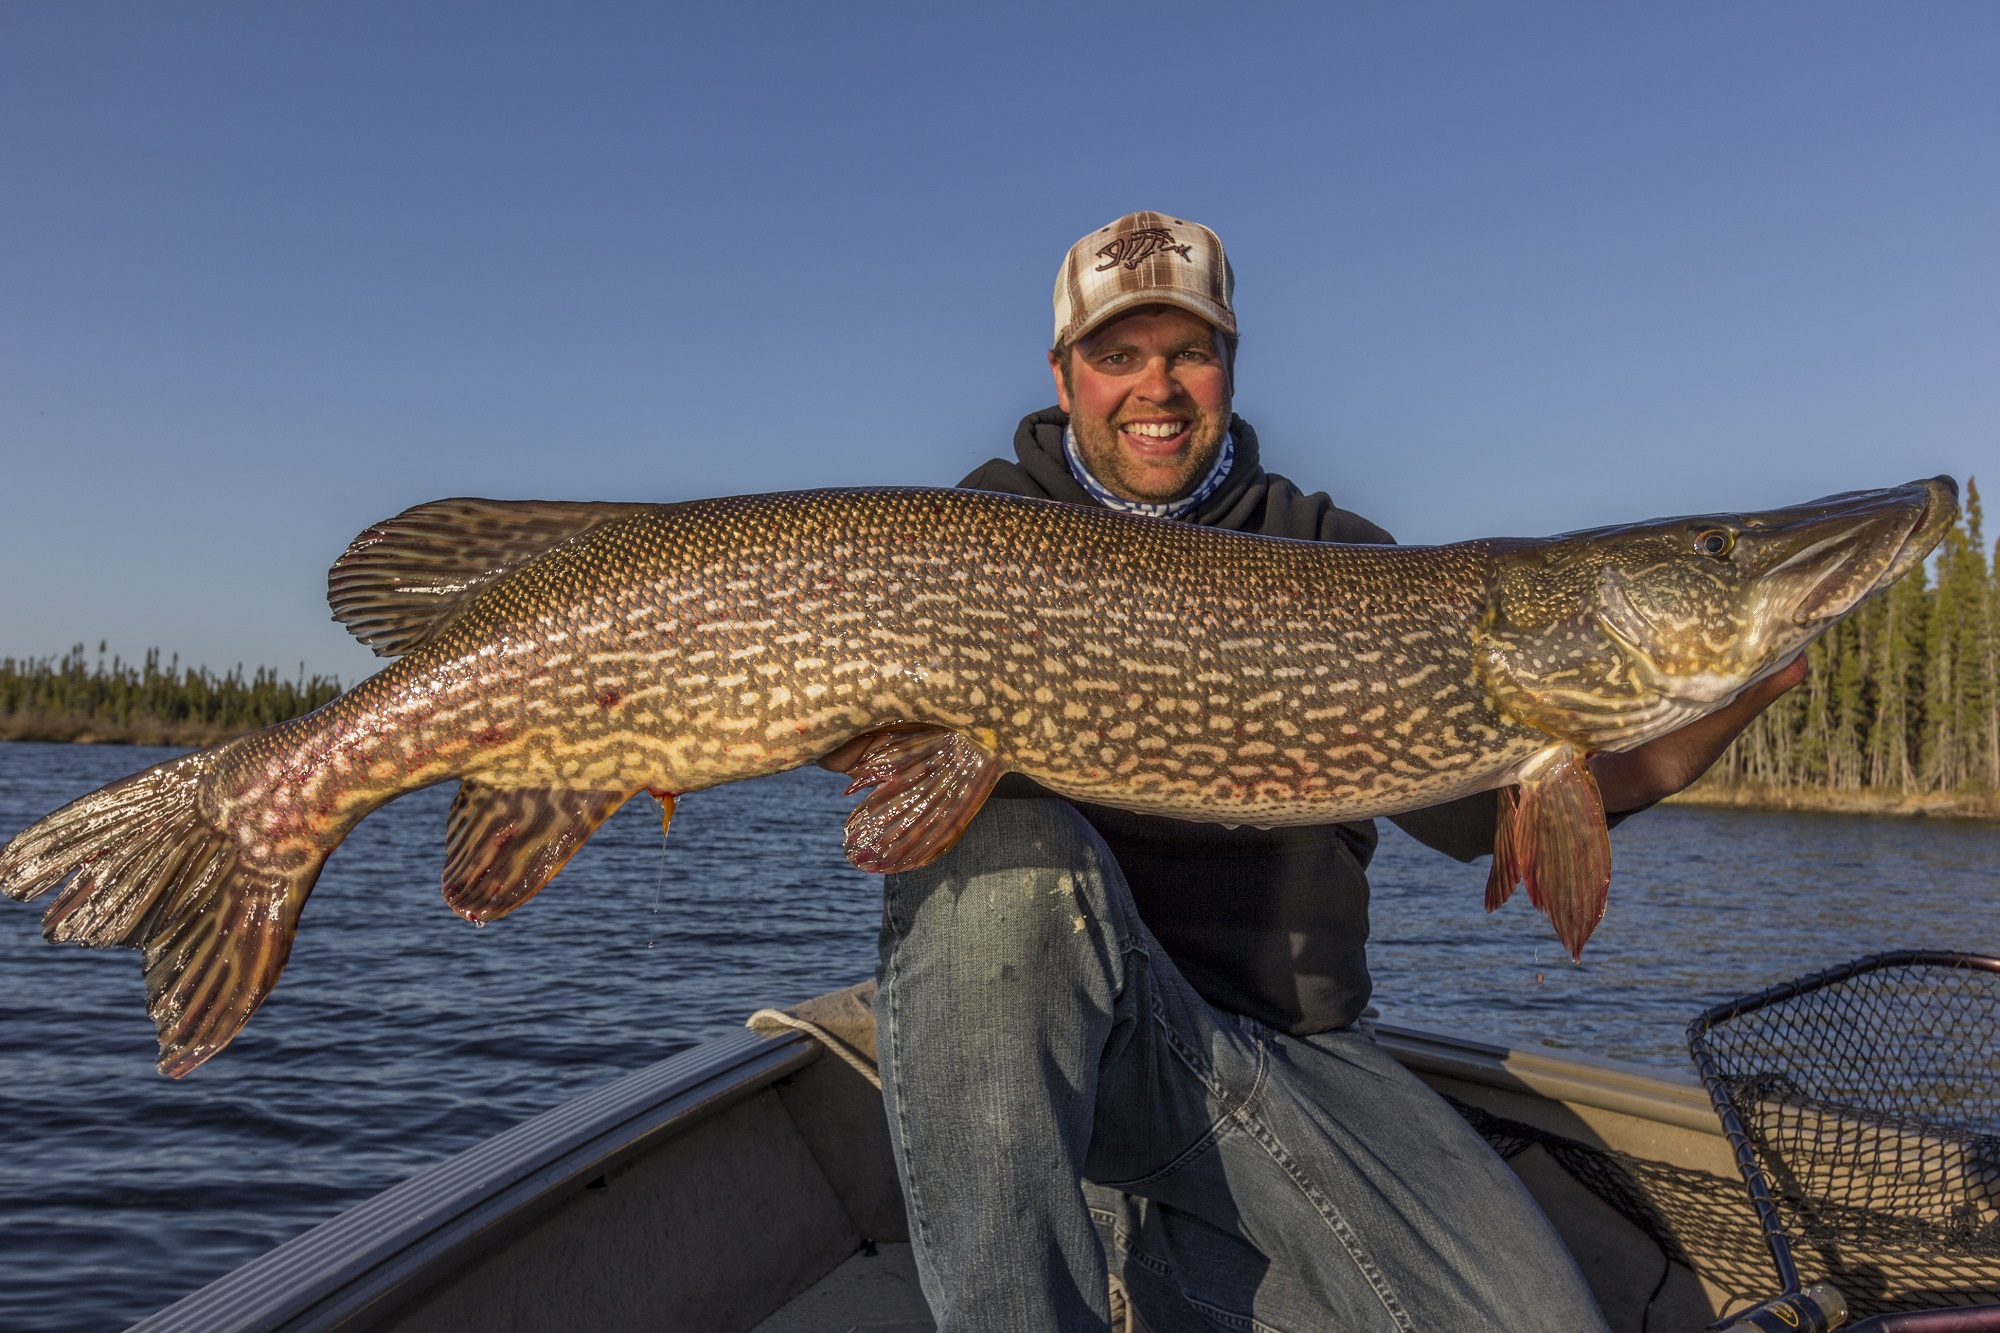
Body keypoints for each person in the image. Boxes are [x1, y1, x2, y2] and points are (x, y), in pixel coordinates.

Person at [867, 212, 1805, 1332]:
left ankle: (1169, 1267)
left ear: (1228, 365)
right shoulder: (971, 531)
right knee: (1006, 873)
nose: (1154, 387)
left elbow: (1481, 815)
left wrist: (1694, 717)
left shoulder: (1332, 549)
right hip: (1083, 1055)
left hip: (1292, 1058)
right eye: (1118, 355)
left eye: (1189, 352)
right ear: (1064, 375)